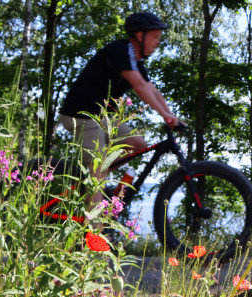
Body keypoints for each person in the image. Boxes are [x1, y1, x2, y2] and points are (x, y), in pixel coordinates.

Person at [58, 12, 180, 222]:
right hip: (81, 115)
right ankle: (94, 238)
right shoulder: (120, 50)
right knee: (99, 172)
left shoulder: (136, 62)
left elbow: (152, 90)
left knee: (137, 143)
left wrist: (170, 115)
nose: (158, 42)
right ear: (139, 35)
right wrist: (165, 116)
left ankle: (92, 178)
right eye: (155, 37)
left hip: (101, 117)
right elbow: (140, 87)